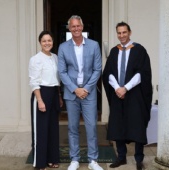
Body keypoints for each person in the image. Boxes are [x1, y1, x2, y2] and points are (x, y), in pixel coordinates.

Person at [102, 22, 153, 170]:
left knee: (136, 126)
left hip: (134, 94)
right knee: (118, 125)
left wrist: (126, 88)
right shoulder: (114, 51)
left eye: (124, 32)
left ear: (129, 32)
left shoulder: (139, 50)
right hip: (118, 94)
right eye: (119, 33)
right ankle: (121, 157)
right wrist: (117, 88)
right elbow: (108, 73)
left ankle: (138, 159)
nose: (122, 36)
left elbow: (142, 74)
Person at [57, 15, 103, 170]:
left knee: (91, 127)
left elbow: (97, 69)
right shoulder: (63, 47)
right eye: (73, 26)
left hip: (89, 93)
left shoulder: (94, 45)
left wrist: (87, 89)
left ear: (82, 27)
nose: (76, 29)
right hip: (72, 93)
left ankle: (92, 160)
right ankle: (75, 159)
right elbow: (62, 72)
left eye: (78, 26)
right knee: (72, 127)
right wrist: (75, 89)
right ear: (69, 28)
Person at [29, 31, 63, 170]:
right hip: (41, 94)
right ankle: (40, 162)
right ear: (40, 42)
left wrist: (59, 96)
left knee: (53, 129)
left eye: (49, 40)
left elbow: (57, 79)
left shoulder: (55, 57)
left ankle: (52, 158)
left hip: (54, 93)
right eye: (44, 41)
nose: (47, 43)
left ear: (53, 42)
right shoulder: (35, 59)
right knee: (41, 130)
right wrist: (40, 100)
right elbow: (33, 82)